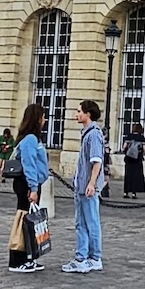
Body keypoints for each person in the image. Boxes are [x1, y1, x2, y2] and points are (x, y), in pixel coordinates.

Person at [63, 100, 105, 274]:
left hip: (87, 186)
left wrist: (92, 183)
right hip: (81, 185)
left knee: (90, 222)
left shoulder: (93, 134)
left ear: (88, 113)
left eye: (79, 111)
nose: (76, 114)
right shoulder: (87, 133)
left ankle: (93, 257)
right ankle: (82, 256)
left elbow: (97, 161)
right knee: (81, 222)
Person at [8, 104, 49, 274]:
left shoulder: (31, 138)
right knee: (23, 220)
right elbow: (29, 165)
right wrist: (33, 188)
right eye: (43, 116)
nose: (45, 120)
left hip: (29, 183)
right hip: (27, 183)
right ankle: (17, 260)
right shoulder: (30, 139)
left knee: (28, 220)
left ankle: (27, 257)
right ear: (37, 119)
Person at [122, 123, 145, 197]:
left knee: (127, 175)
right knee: (135, 176)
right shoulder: (141, 138)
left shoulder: (129, 136)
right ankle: (133, 193)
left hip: (128, 159)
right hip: (137, 159)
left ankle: (125, 192)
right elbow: (144, 149)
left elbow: (124, 147)